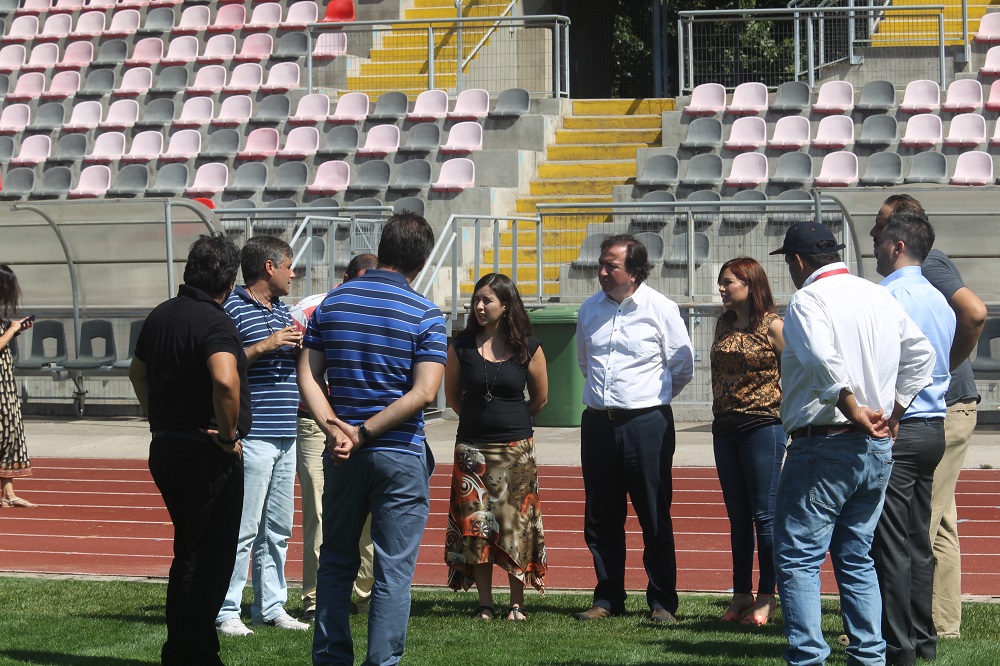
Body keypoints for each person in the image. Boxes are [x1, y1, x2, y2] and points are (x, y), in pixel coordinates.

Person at [770, 221, 935, 666]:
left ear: (799, 261)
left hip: (825, 441)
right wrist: (895, 410)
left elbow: (823, 358)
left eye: (789, 261)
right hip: (875, 446)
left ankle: (808, 658)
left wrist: (852, 406)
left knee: (799, 558)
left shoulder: (808, 298)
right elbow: (923, 355)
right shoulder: (878, 294)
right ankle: (869, 655)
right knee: (856, 556)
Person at [299, 212, 448, 666]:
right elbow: (424, 392)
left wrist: (335, 428)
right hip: (398, 451)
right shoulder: (424, 313)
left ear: (382, 249)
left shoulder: (332, 304)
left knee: (336, 560)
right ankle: (381, 662)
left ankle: (329, 657)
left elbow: (306, 373)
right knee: (393, 570)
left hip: (342, 452)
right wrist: (362, 433)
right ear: (421, 262)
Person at [128, 234, 251, 666]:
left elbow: (136, 372)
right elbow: (225, 379)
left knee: (188, 554)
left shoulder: (160, 315)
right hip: (206, 452)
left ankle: (179, 648)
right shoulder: (215, 321)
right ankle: (195, 653)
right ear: (228, 281)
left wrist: (156, 416)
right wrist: (228, 435)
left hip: (166, 446)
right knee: (208, 560)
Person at [872, 194, 987, 640]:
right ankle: (938, 623)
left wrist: (945, 366)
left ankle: (906, 629)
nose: (874, 237)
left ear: (902, 233)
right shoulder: (928, 274)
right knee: (938, 525)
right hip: (939, 407)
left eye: (881, 228)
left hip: (930, 408)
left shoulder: (927, 268)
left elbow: (975, 313)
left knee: (914, 530)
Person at [573, 234, 694, 624]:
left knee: (653, 514)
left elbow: (682, 366)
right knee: (602, 516)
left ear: (635, 272)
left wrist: (650, 399)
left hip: (646, 423)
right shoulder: (589, 309)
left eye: (612, 266)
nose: (603, 272)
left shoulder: (661, 308)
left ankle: (662, 601)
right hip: (598, 423)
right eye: (601, 265)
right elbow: (584, 363)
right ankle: (607, 597)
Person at [870, 207, 955, 665]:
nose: (876, 245)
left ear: (897, 246)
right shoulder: (939, 297)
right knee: (918, 541)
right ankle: (922, 641)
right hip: (933, 425)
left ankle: (897, 645)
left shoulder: (887, 296)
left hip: (902, 428)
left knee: (892, 544)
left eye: (882, 238)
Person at [216, 236, 309, 637]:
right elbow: (225, 364)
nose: (294, 273)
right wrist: (266, 345)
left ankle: (270, 606)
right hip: (254, 435)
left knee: (279, 529)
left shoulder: (284, 310)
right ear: (269, 267)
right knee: (244, 527)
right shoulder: (232, 309)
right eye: (289, 265)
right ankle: (226, 610)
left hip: (286, 432)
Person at [443, 273, 549, 621]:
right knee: (477, 527)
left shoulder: (528, 347)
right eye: (476, 300)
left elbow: (540, 399)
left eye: (487, 300)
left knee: (513, 526)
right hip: (472, 450)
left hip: (516, 450)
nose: (479, 306)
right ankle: (485, 604)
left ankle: (516, 604)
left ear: (506, 305)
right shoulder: (460, 345)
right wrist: (479, 424)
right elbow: (453, 397)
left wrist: (512, 423)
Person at [289, 252, 379, 623]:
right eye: (363, 280)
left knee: (372, 518)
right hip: (314, 424)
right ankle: (315, 598)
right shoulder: (309, 310)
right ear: (346, 277)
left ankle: (366, 595)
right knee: (319, 512)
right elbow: (296, 369)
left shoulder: (380, 309)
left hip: (364, 425)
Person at [710, 257, 785, 626]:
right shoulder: (723, 323)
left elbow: (795, 370)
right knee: (738, 517)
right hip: (724, 427)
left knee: (765, 516)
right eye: (721, 283)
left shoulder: (773, 326)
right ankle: (741, 592)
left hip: (762, 426)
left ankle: (768, 595)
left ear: (750, 283)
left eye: (728, 282)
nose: (722, 289)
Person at [0, 265, 36, 509]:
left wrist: (15, 330)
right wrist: (12, 329)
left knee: (10, 432)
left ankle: (8, 493)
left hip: (5, 384)